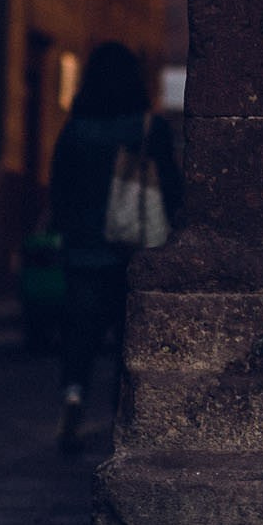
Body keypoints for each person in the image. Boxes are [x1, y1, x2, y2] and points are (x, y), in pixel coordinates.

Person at [47, 41, 182, 452]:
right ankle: (123, 411)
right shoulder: (149, 127)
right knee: (129, 333)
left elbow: (59, 189)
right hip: (135, 249)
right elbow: (172, 187)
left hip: (84, 248)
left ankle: (73, 394)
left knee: (80, 331)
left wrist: (68, 231)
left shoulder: (76, 127)